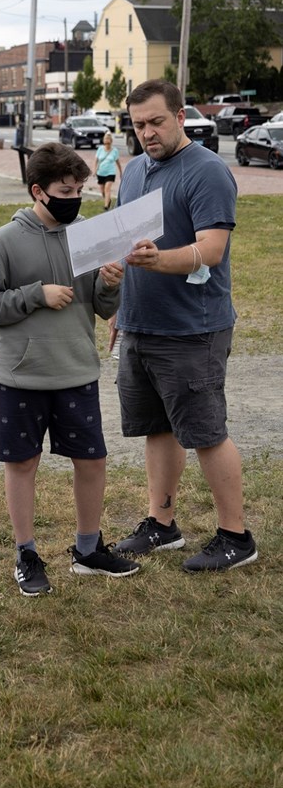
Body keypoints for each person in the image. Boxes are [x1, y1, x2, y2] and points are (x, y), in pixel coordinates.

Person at [0, 142, 139, 596]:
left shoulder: (88, 233)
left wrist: (109, 285)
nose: (75, 197)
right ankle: (26, 552)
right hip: (19, 375)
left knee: (93, 459)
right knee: (23, 463)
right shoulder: (5, 240)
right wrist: (34, 294)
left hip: (77, 369)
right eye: (66, 189)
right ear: (37, 191)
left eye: (80, 188)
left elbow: (101, 309)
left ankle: (88, 549)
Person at [110, 79, 258, 572]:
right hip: (139, 323)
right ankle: (162, 524)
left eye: (156, 121)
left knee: (206, 432)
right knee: (158, 428)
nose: (148, 133)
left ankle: (236, 536)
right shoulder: (132, 172)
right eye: (138, 125)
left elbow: (210, 251)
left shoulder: (207, 171)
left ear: (180, 115)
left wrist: (158, 260)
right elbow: (120, 242)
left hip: (192, 328)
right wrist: (116, 309)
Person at [94, 131, 122, 210]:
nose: (107, 141)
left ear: (111, 141)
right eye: (105, 139)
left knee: (107, 188)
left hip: (110, 172)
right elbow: (96, 160)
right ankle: (108, 200)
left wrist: (120, 172)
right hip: (101, 172)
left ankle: (106, 206)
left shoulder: (115, 151)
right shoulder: (100, 149)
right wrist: (94, 170)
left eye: (108, 139)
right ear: (103, 141)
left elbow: (118, 162)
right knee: (102, 191)